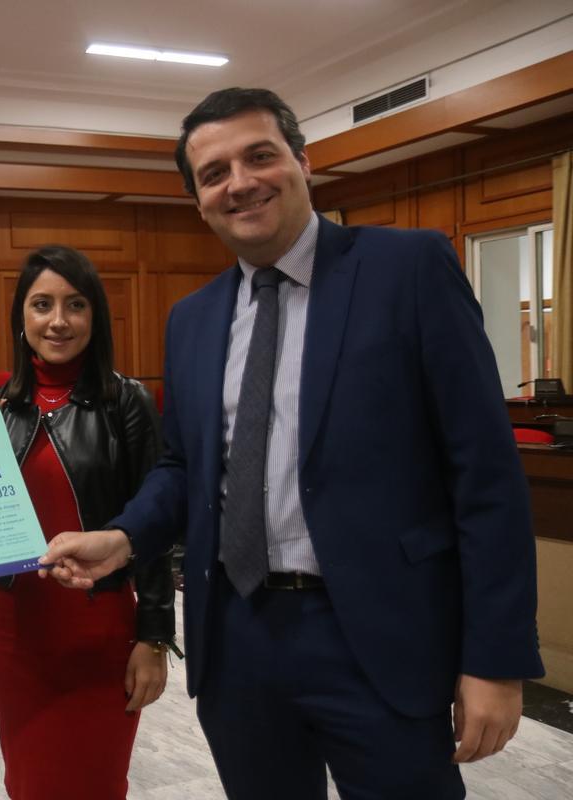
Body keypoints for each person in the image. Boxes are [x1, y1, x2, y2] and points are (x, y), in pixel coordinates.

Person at [40, 88, 544, 800]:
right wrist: (123, 538)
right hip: (237, 639)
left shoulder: (409, 270)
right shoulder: (192, 319)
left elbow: (486, 476)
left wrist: (494, 659)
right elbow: (186, 468)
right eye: (214, 173)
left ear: (304, 162)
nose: (239, 182)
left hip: (378, 637)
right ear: (199, 201)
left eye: (259, 156)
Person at [0, 245, 177, 799]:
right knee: (29, 785)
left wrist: (155, 636)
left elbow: (156, 523)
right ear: (21, 316)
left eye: (75, 304)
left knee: (96, 784)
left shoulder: (127, 402)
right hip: (15, 634)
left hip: (99, 635)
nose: (58, 321)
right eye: (42, 304)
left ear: (95, 316)